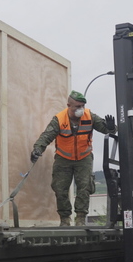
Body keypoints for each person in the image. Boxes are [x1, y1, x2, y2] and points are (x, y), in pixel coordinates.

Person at [31, 91, 116, 226]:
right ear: (68, 105)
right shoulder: (59, 119)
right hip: (63, 158)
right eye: (77, 106)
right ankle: (65, 219)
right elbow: (46, 136)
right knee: (60, 188)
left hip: (84, 157)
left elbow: (107, 130)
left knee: (85, 187)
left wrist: (111, 128)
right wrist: (37, 149)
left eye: (82, 106)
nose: (80, 109)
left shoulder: (90, 116)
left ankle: (80, 218)